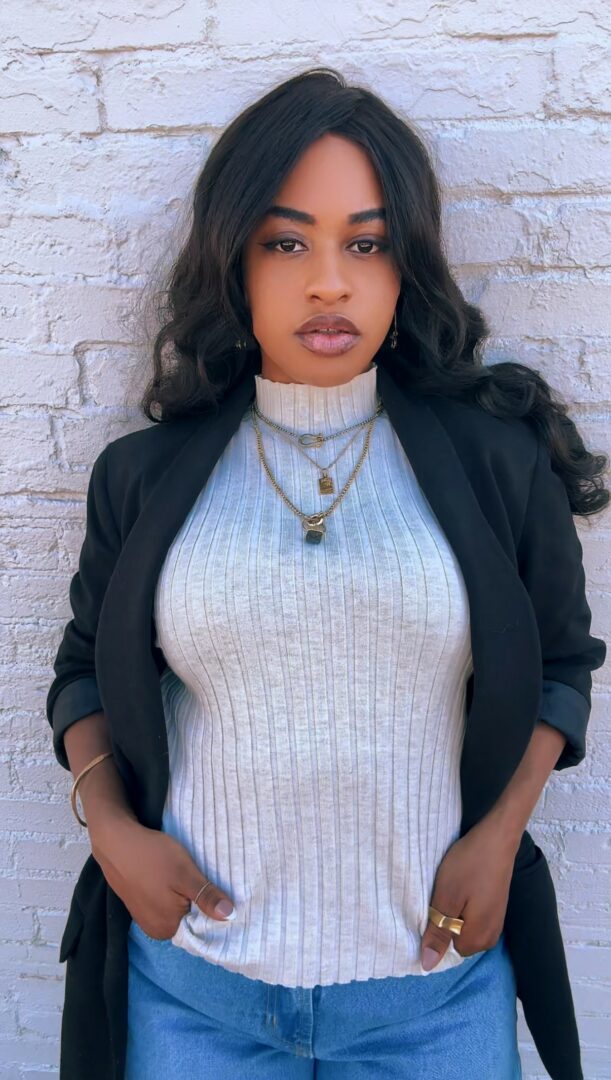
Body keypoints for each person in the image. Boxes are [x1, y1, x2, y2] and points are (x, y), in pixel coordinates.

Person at [46, 67, 607, 1080]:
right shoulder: (143, 476)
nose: (328, 284)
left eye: (366, 243)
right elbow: (84, 669)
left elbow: (562, 666)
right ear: (233, 259)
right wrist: (111, 830)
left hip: (431, 1001)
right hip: (194, 1000)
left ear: (405, 266)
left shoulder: (494, 462)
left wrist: (498, 834)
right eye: (285, 242)